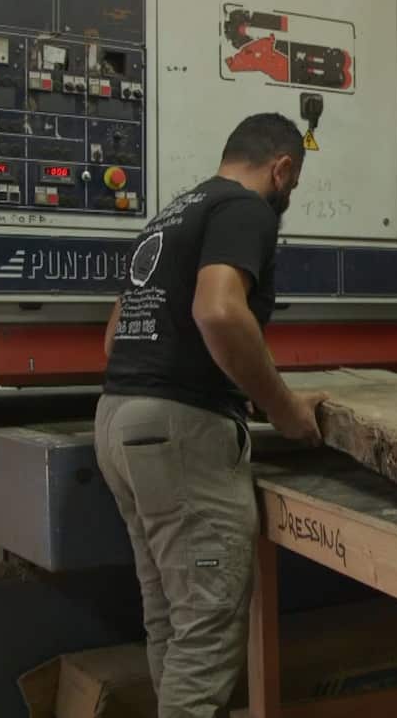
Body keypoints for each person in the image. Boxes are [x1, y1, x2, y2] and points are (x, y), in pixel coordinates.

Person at [94, 113, 327, 717]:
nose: (287, 198)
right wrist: (283, 407)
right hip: (178, 434)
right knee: (206, 624)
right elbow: (220, 313)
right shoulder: (245, 209)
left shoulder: (173, 214)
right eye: (292, 186)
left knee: (170, 616)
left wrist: (231, 377)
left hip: (119, 420)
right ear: (281, 168)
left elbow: (117, 335)